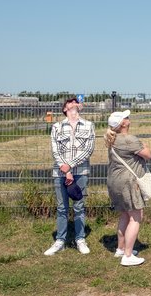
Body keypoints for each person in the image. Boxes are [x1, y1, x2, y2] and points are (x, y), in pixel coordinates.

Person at [44, 97, 95, 256]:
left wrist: (70, 166)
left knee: (79, 206)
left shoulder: (89, 125)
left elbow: (89, 150)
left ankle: (80, 239)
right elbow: (55, 150)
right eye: (70, 102)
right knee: (62, 208)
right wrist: (66, 171)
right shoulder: (57, 127)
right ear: (65, 109)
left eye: (75, 102)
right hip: (60, 172)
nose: (74, 103)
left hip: (81, 172)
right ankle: (60, 240)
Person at [105, 109, 151, 266]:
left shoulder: (112, 139)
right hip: (128, 182)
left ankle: (120, 248)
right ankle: (128, 255)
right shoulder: (129, 139)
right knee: (136, 216)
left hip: (114, 181)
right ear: (123, 123)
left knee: (125, 214)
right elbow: (147, 155)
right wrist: (144, 144)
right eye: (126, 117)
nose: (128, 118)